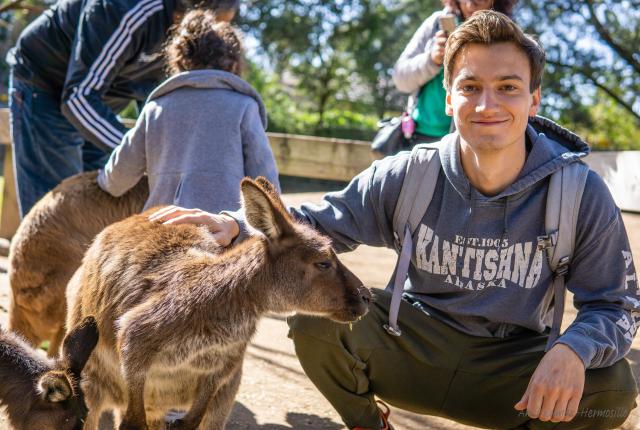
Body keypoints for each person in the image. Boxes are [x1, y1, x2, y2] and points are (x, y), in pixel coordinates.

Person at [149, 11, 639, 430]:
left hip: (511, 372)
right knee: (317, 322)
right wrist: (234, 224)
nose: (487, 104)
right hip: (415, 348)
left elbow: (617, 306)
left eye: (507, 88)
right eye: (470, 87)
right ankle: (368, 422)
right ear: (448, 98)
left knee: (612, 388)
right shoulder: (412, 172)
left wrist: (573, 350)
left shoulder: (578, 191)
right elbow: (320, 221)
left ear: (534, 101)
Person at [6, 0, 240, 217]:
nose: (220, 38)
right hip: (46, 85)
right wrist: (139, 151)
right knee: (56, 213)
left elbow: (159, 105)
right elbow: (78, 97)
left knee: (106, 198)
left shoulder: (185, 41)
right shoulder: (126, 9)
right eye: (218, 25)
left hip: (100, 101)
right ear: (189, 12)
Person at [97, 10, 279, 213]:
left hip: (162, 228)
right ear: (234, 63)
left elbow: (117, 179)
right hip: (224, 232)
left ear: (179, 60)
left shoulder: (155, 109)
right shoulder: (244, 107)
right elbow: (268, 187)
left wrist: (100, 179)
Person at [393, 0, 517, 144]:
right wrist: (432, 60)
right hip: (417, 134)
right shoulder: (435, 23)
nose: (470, 6)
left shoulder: (506, 34)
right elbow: (400, 78)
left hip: (468, 142)